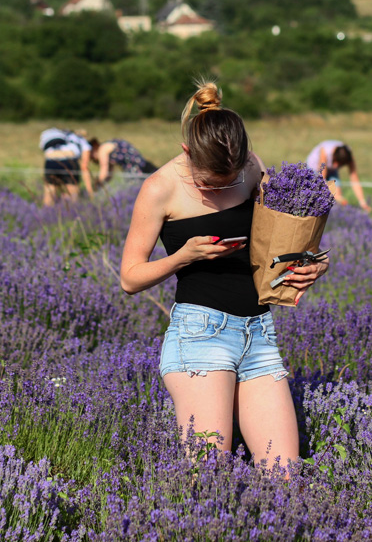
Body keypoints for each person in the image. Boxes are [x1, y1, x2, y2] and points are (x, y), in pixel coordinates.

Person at [119, 81, 329, 472]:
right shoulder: (159, 188)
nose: (218, 190)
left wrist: (312, 263)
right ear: (187, 152)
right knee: (208, 475)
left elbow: (280, 240)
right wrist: (183, 256)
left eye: (228, 182)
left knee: (285, 474)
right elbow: (130, 278)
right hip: (201, 337)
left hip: (259, 333)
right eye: (207, 183)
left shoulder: (249, 166)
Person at [306, 140, 371, 212]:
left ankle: (335, 215)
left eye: (340, 164)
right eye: (334, 161)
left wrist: (362, 202)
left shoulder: (348, 156)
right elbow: (321, 179)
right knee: (319, 195)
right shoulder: (325, 151)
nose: (335, 166)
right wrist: (332, 194)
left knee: (337, 195)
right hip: (315, 168)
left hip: (331, 171)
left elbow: (354, 179)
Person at [40, 127, 94, 206]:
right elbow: (84, 166)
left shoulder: (60, 135)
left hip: (50, 161)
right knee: (73, 196)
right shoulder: (82, 140)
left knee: (49, 193)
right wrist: (90, 191)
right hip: (69, 162)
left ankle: (46, 211)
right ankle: (71, 211)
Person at [89, 138, 158, 186]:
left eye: (91, 157)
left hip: (134, 166)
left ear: (93, 150)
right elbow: (109, 173)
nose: (93, 159)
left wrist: (97, 183)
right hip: (137, 163)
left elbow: (104, 170)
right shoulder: (106, 148)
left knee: (136, 187)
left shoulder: (102, 150)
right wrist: (102, 184)